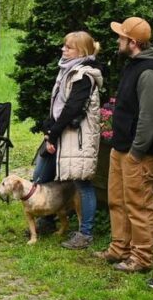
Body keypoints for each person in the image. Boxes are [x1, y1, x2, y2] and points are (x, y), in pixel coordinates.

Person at [94, 17, 153, 273]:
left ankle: (142, 258)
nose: (118, 40)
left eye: (121, 37)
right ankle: (119, 248)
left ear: (133, 42)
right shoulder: (134, 65)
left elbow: (150, 117)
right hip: (121, 148)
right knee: (117, 200)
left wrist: (137, 151)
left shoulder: (149, 73)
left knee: (139, 206)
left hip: (139, 154)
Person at [31, 32, 104, 249]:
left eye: (69, 47)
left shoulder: (84, 74)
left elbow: (72, 108)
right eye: (64, 46)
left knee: (82, 183)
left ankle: (85, 233)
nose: (63, 50)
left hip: (76, 138)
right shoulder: (66, 70)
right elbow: (57, 105)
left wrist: (52, 133)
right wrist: (48, 128)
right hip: (59, 134)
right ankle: (47, 219)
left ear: (81, 52)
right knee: (41, 176)